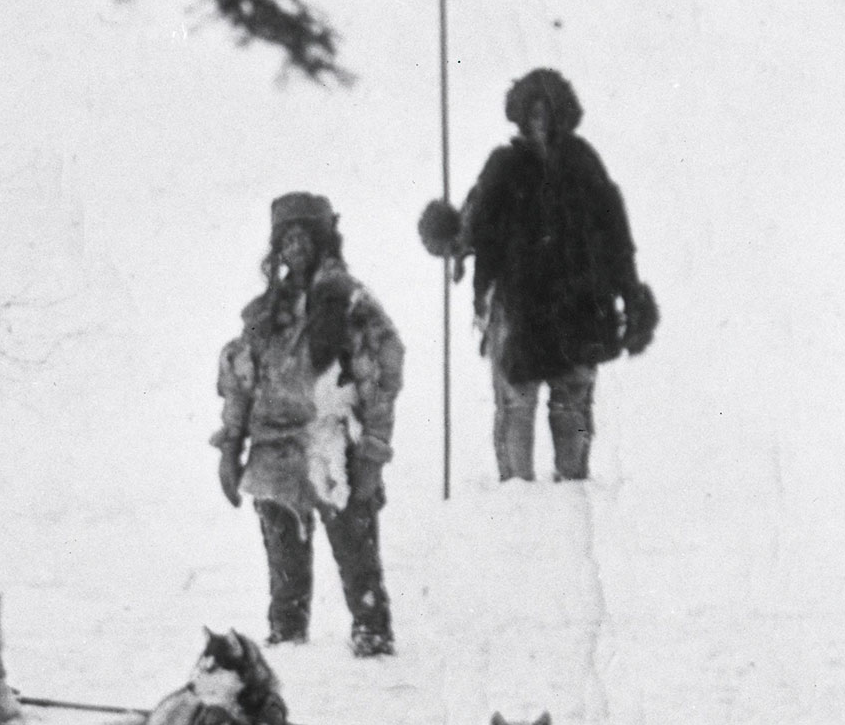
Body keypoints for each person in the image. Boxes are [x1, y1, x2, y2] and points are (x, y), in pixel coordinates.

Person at [423, 67, 654, 484]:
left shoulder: (584, 165)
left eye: (546, 111)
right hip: (519, 304)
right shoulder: (503, 166)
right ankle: (516, 495)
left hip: (579, 303)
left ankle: (575, 483)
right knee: (516, 403)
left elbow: (615, 234)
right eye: (531, 112)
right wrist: (449, 233)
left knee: (575, 403)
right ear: (520, 116)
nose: (539, 121)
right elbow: (473, 227)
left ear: (562, 113)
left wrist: (631, 292)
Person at [216, 193, 403, 655]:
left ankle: (372, 639)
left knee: (356, 556)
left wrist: (374, 448)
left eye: (304, 237)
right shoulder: (265, 315)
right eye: (287, 239)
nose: (295, 248)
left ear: (322, 242)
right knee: (284, 570)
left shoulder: (349, 303)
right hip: (273, 450)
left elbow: (380, 371)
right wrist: (230, 447)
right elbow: (240, 377)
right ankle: (288, 646)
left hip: (332, 443)